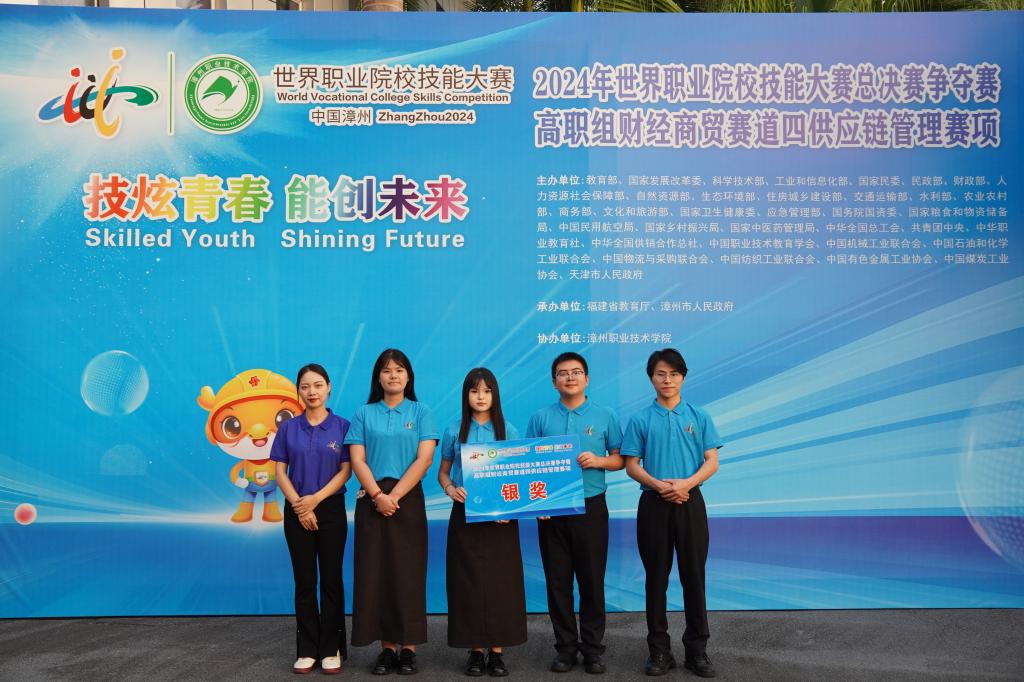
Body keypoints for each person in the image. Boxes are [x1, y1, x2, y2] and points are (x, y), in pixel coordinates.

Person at [621, 349, 722, 678]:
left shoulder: (699, 416)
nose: (667, 380)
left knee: (694, 576)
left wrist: (685, 485)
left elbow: (712, 461)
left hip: (690, 501)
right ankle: (659, 651)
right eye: (661, 374)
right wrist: (659, 485)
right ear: (651, 378)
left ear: (683, 377)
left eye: (674, 374)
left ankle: (697, 651)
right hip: (653, 503)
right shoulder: (640, 419)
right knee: (656, 579)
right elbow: (631, 465)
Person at [525, 352, 623, 674]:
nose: (570, 377)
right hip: (552, 509)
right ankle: (565, 648)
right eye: (563, 373)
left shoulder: (605, 415)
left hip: (591, 506)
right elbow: (528, 464)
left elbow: (620, 459)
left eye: (576, 372)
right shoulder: (541, 417)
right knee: (558, 581)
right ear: (554, 381)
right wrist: (537, 504)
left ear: (587, 379)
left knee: (592, 580)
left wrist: (599, 461)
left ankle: (593, 649)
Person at [346, 349, 438, 676]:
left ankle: (409, 648)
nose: (393, 375)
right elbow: (357, 459)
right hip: (372, 499)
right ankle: (386, 648)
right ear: (378, 378)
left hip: (407, 498)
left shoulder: (421, 411)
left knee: (407, 573)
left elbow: (425, 459)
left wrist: (394, 496)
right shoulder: (364, 413)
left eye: (399, 370)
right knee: (376, 573)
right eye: (386, 371)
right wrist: (377, 495)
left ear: (408, 376)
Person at [438, 368, 527, 678]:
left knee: (502, 583)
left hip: (501, 519)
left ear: (495, 395)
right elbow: (443, 473)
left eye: (487, 391)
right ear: (466, 395)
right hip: (465, 515)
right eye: (474, 391)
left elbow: (519, 476)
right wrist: (451, 489)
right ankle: (475, 651)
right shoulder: (454, 430)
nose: (480, 397)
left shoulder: (508, 430)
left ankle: (497, 652)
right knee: (468, 582)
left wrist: (511, 509)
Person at [271, 364, 352, 675]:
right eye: (305, 387)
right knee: (304, 582)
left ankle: (331, 648)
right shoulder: (288, 428)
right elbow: (280, 471)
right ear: (298, 391)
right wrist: (300, 506)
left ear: (328, 387)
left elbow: (346, 470)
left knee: (331, 580)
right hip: (297, 509)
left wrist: (315, 500)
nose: (312, 392)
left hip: (330, 509)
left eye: (318, 385)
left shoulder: (342, 426)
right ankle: (307, 648)